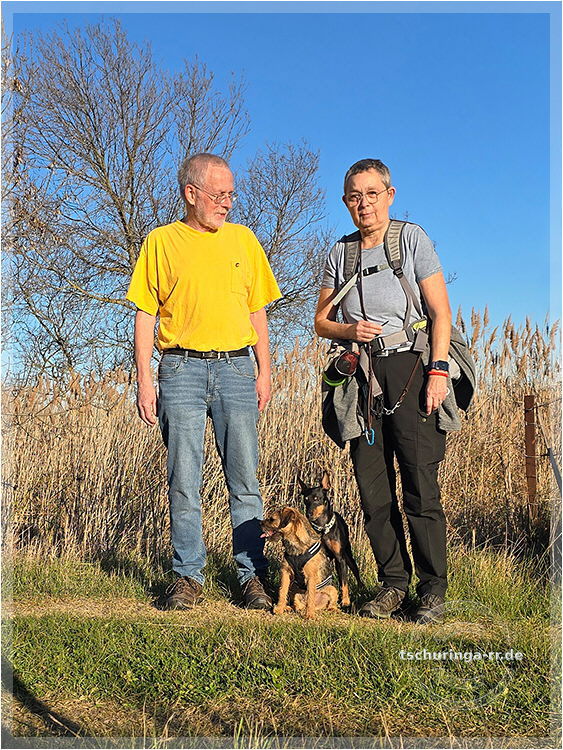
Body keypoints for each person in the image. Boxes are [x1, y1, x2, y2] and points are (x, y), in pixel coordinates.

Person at [127, 153, 282, 611]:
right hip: (181, 371)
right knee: (183, 479)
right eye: (219, 194)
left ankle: (253, 577)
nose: (227, 203)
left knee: (245, 480)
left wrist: (265, 370)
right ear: (191, 194)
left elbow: (257, 311)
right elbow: (145, 314)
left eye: (231, 194)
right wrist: (144, 380)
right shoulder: (160, 242)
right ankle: (187, 577)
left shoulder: (244, 241)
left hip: (236, 369)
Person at [314, 158, 452, 624]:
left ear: (389, 196)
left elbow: (441, 313)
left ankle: (432, 590)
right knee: (373, 492)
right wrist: (348, 332)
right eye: (355, 196)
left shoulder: (411, 240)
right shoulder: (340, 253)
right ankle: (393, 585)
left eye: (372, 194)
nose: (364, 204)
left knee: (419, 487)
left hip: (412, 369)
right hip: (362, 378)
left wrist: (438, 372)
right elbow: (321, 322)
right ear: (345, 202)